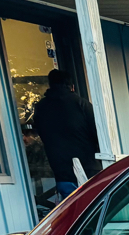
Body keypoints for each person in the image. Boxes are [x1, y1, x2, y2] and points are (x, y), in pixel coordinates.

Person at [32, 70, 100, 198]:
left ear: (50, 85)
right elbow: (98, 134)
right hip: (89, 168)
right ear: (72, 86)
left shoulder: (41, 108)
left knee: (73, 210)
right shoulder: (81, 104)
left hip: (61, 170)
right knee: (94, 207)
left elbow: (41, 134)